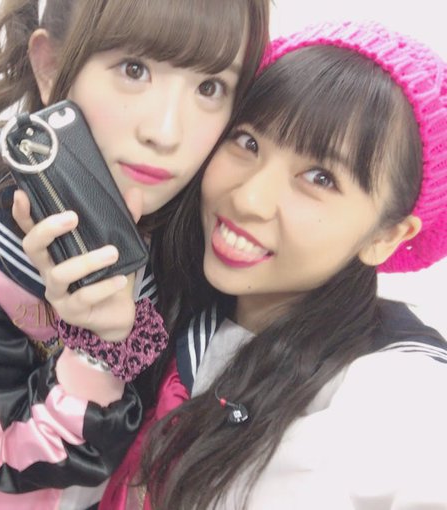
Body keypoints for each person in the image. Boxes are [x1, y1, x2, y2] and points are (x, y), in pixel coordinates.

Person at [0, 1, 270, 509]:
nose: (166, 132)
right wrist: (97, 346)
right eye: (134, 70)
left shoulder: (198, 222)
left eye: (210, 87)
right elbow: (4, 460)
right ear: (50, 65)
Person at [85, 20, 447, 509]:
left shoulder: (396, 396)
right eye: (248, 143)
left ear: (386, 236)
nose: (248, 199)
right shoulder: (175, 303)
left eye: (320, 178)